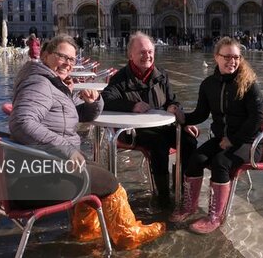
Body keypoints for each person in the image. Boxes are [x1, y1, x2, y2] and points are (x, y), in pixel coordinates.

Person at [8, 34, 164, 249]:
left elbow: (77, 115)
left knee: (96, 174)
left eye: (71, 59)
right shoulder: (39, 83)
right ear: (45, 55)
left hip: (42, 169)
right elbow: (21, 122)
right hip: (37, 179)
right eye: (61, 56)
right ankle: (129, 235)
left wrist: (93, 103)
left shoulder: (52, 82)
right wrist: (66, 149)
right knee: (111, 183)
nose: (67, 63)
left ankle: (85, 232)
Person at [169, 36, 263, 234]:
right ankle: (190, 207)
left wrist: (233, 140)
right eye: (227, 56)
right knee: (196, 159)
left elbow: (257, 119)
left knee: (221, 162)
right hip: (222, 139)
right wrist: (181, 117)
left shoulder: (249, 84)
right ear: (216, 57)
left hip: (250, 142)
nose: (232, 61)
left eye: (236, 57)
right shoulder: (208, 84)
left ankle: (215, 216)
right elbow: (201, 114)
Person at [102, 31, 197, 208]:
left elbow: (173, 100)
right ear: (130, 54)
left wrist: (179, 116)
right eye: (142, 52)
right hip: (133, 131)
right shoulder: (120, 78)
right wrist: (131, 106)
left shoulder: (161, 74)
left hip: (161, 126)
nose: (148, 56)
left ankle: (181, 188)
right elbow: (105, 99)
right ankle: (163, 196)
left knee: (189, 142)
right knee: (159, 145)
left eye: (150, 52)